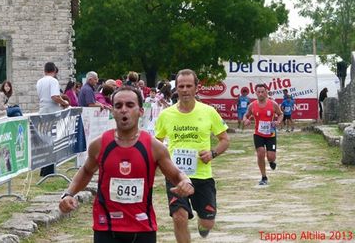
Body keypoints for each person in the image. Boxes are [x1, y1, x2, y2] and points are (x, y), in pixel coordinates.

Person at [59, 86, 194, 243]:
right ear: (112, 111)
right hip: (106, 227)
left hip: (142, 227)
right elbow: (86, 171)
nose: (124, 110)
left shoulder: (154, 147)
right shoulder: (99, 144)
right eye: (118, 106)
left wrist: (186, 182)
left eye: (130, 105)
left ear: (141, 111)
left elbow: (176, 174)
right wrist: (68, 194)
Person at [155, 69, 230, 242]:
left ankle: (203, 225)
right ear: (176, 89)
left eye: (189, 86)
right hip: (175, 175)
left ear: (197, 87)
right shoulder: (166, 115)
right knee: (179, 217)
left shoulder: (209, 112)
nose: (185, 90)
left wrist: (212, 153)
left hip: (202, 176)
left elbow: (225, 140)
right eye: (181, 86)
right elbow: (156, 143)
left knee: (207, 223)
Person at [243, 83, 283, 186]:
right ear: (255, 93)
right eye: (258, 92)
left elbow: (281, 114)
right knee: (260, 153)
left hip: (270, 134)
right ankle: (264, 177)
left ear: (266, 92)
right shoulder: (252, 105)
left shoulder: (273, 104)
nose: (260, 94)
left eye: (262, 92)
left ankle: (271, 161)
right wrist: (245, 120)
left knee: (271, 156)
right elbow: (246, 115)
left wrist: (277, 122)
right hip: (258, 134)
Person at [37, 62, 69, 176]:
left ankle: (44, 168)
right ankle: (49, 170)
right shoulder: (53, 81)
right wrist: (64, 102)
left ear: (44, 70)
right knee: (52, 141)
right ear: (54, 70)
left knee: (45, 141)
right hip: (52, 113)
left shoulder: (40, 81)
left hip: (42, 112)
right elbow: (54, 96)